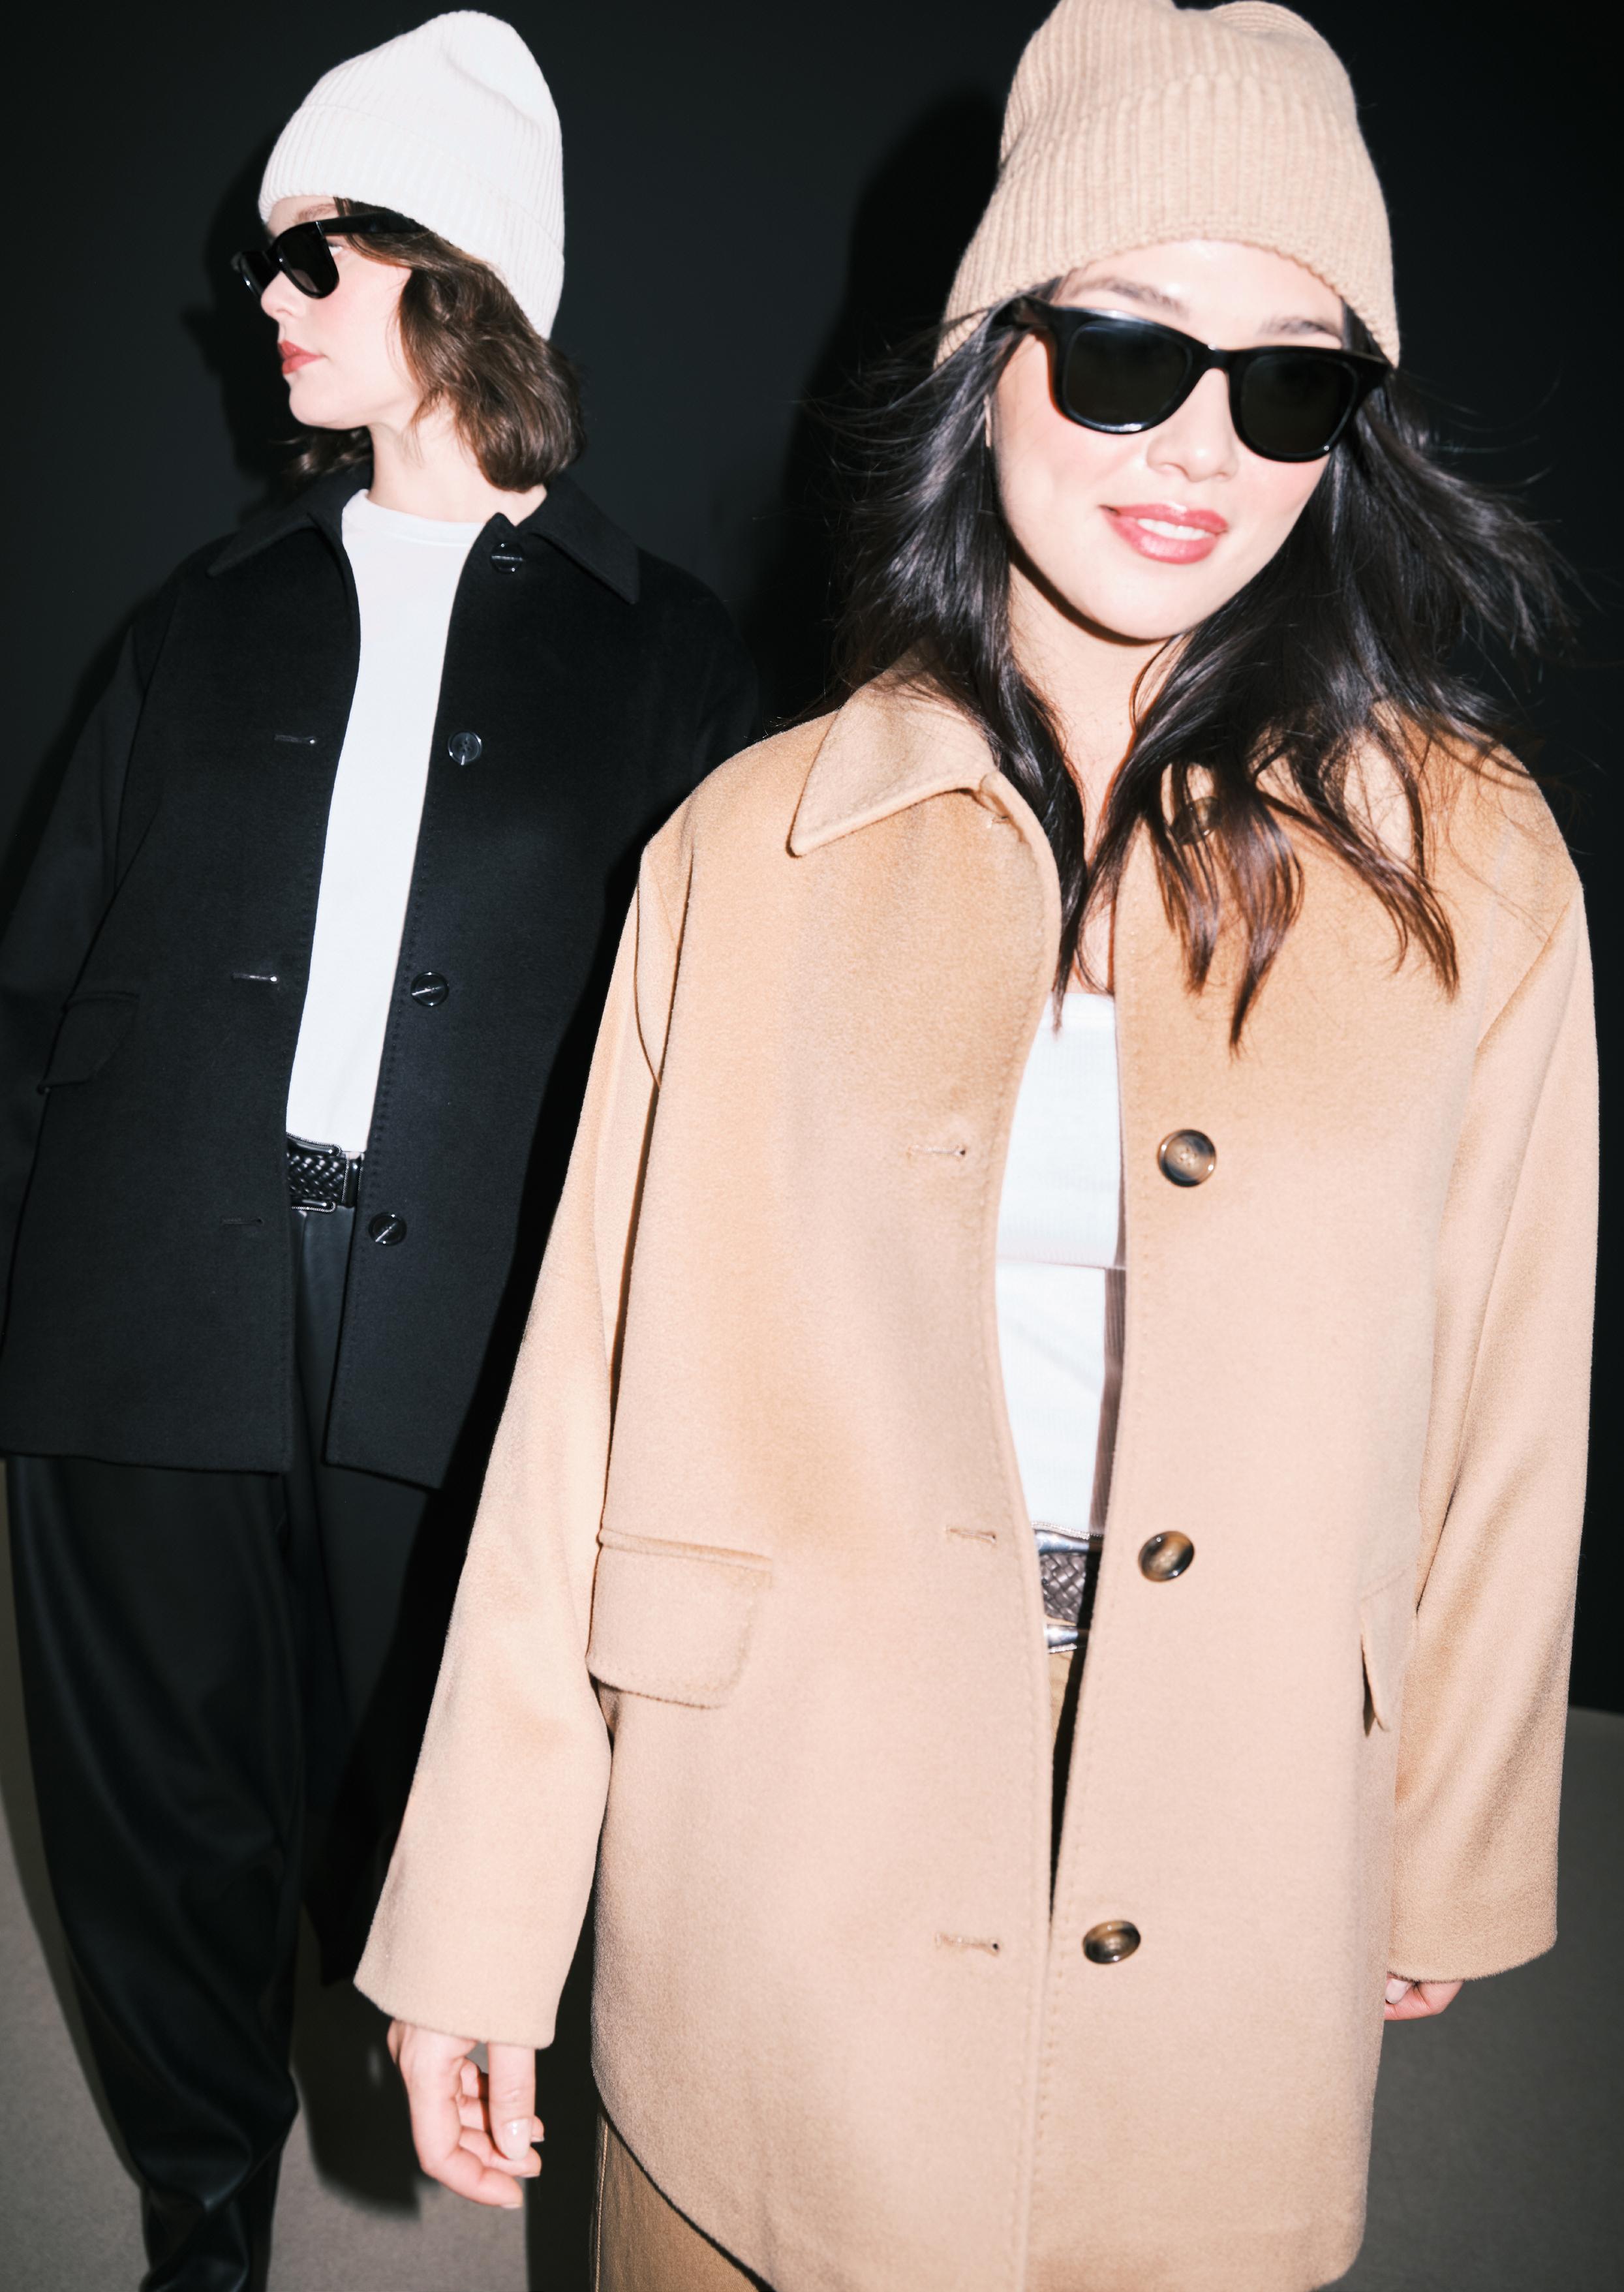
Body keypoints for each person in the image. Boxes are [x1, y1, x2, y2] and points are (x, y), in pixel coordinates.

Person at [360, 3, 1593, 2287]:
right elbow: (578, 1415)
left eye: (1289, 384)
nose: (1198, 442)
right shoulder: (753, 847)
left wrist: (1450, 1829)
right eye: (1123, 352)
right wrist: (477, 1904)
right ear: (987, 361)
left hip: (1232, 1821)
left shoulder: (1473, 869)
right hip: (775, 1833)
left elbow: (1511, 1404)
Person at [0, 12, 754, 2287]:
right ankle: (201, 2223)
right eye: (266, 259)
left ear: (453, 272)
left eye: (311, 253)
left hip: (471, 1341)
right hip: (148, 1311)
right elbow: (41, 984)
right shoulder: (199, 621)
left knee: (428, 1788)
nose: (267, 298)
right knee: (153, 1819)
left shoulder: (670, 662)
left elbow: (714, 1073)